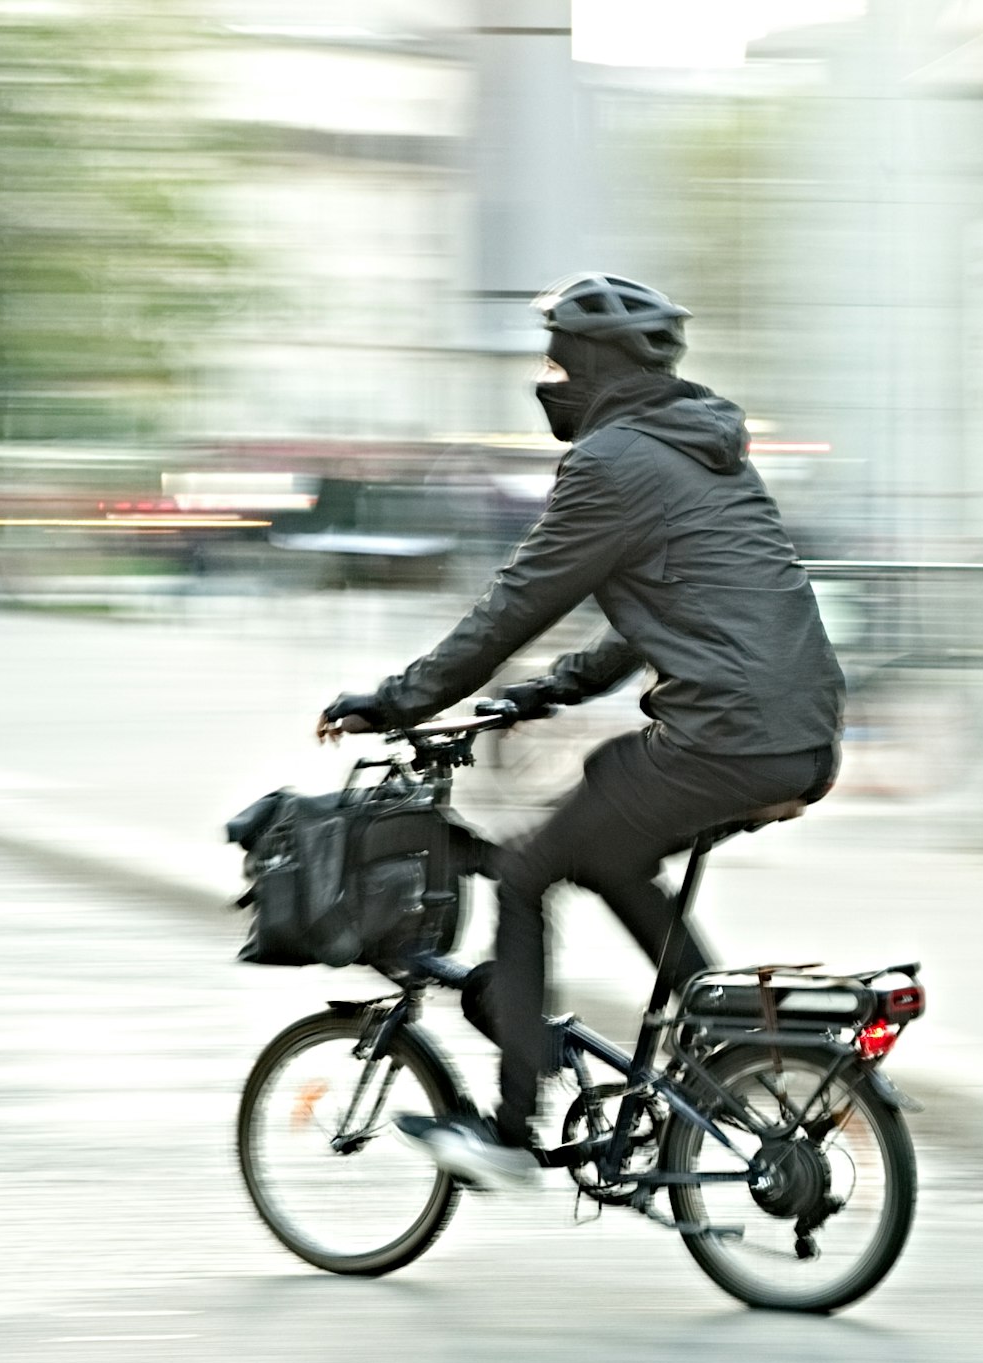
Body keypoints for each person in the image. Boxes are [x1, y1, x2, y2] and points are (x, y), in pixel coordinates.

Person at [321, 274, 845, 1192]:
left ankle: (509, 1130)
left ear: (599, 366)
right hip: (798, 736)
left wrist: (400, 700)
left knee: (526, 871)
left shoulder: (612, 463)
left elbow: (519, 600)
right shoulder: (699, 452)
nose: (550, 376)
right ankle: (735, 1047)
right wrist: (550, 692)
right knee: (607, 848)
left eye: (561, 358)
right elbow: (664, 608)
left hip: (721, 736)